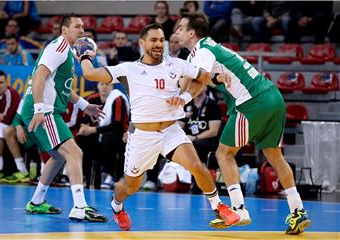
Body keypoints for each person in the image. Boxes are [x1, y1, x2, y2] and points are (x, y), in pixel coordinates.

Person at [75, 23, 240, 231]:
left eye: (162, 40)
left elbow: (204, 77)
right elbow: (90, 74)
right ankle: (117, 207)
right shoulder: (129, 69)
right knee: (129, 186)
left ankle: (218, 206)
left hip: (171, 131)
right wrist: (84, 56)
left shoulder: (176, 64)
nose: (159, 44)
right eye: (153, 40)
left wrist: (186, 96)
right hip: (143, 137)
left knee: (198, 167)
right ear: (142, 43)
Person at [176, 13, 311, 234]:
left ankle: (239, 209)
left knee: (224, 153)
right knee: (274, 155)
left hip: (251, 102)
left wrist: (181, 97)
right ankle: (298, 210)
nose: (177, 32)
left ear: (191, 32)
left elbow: (199, 80)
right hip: (273, 96)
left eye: (180, 28)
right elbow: (198, 78)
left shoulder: (202, 50)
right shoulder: (208, 48)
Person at [21, 15, 107, 222]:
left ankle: (36, 202)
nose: (82, 31)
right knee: (74, 152)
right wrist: (40, 109)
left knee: (59, 156)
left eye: (83, 27)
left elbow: (63, 89)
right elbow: (39, 76)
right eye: (77, 27)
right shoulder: (58, 48)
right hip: (43, 110)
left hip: (47, 109)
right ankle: (80, 207)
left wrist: (85, 106)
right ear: (64, 31)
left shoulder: (67, 52)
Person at [77, 82, 129, 189]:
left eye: (108, 84)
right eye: (102, 84)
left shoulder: (117, 98)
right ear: (97, 86)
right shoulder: (92, 99)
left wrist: (94, 129)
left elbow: (117, 125)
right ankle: (82, 175)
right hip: (97, 132)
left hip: (120, 134)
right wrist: (85, 129)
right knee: (82, 138)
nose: (104, 87)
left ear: (112, 86)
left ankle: (109, 175)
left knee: (109, 137)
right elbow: (84, 119)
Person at [179, 86, 222, 193]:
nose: (196, 87)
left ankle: (198, 183)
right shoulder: (187, 105)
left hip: (208, 140)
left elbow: (214, 131)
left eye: (199, 85)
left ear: (205, 88)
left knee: (197, 145)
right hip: (189, 139)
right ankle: (155, 180)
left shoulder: (212, 105)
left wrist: (195, 137)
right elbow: (179, 127)